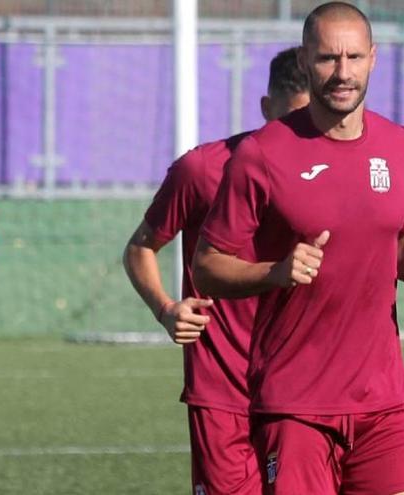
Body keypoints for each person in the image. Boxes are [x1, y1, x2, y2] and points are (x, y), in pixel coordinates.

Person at [193, 3, 404, 494]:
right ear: (307, 59)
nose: (342, 72)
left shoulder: (401, 147)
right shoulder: (260, 155)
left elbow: (400, 241)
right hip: (296, 403)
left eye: (354, 57)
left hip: (383, 399)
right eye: (328, 58)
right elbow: (206, 267)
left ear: (373, 59)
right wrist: (275, 272)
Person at [123, 47, 309, 495]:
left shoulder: (333, 174)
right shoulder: (202, 170)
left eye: (310, 123)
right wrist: (166, 308)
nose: (300, 137)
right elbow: (140, 248)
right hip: (222, 388)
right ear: (266, 109)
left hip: (305, 385)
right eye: (289, 122)